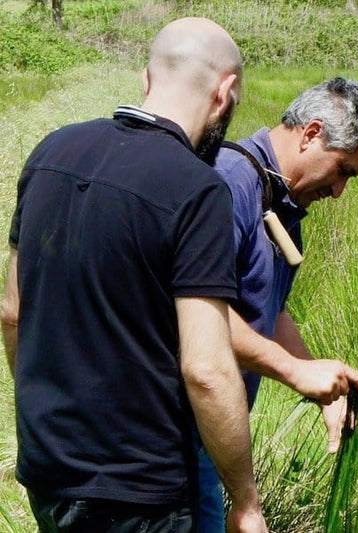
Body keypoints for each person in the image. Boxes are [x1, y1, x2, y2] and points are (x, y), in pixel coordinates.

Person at [1, 17, 268, 533]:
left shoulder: (49, 153)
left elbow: (13, 312)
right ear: (225, 93)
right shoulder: (197, 190)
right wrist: (245, 502)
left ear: (146, 80)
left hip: (47, 475)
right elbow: (207, 371)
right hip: (141, 498)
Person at [193, 76, 358, 532]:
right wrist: (295, 372)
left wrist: (324, 394)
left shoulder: (281, 203)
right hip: (172, 439)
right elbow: (196, 312)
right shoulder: (229, 185)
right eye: (344, 170)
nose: (339, 191)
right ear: (311, 134)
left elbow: (269, 309)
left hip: (207, 439)